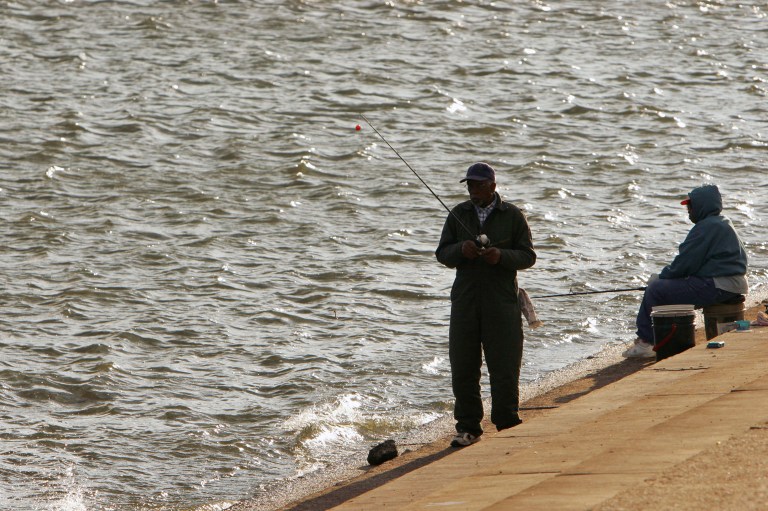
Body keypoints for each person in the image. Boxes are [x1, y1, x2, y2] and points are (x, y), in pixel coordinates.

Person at [435, 162, 536, 447]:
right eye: (470, 185)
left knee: (504, 364)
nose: (473, 190)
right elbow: (442, 253)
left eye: (479, 185)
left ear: (492, 186)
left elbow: (528, 256)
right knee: (463, 365)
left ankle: (507, 421)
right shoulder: (458, 213)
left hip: (502, 301)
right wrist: (461, 250)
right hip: (465, 301)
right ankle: (468, 427)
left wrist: (500, 256)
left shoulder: (512, 215)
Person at [623, 184, 748, 358]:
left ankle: (646, 342)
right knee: (664, 288)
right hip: (731, 284)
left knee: (656, 290)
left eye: (690, 206)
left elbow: (684, 264)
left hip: (720, 285)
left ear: (701, 206)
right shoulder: (722, 222)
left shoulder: (706, 227)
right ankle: (661, 338)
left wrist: (660, 278)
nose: (688, 211)